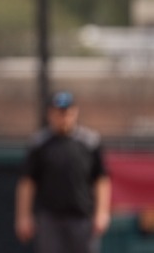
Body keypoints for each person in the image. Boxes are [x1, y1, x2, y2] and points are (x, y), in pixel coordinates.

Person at [15, 91, 112, 253]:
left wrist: (102, 213)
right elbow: (27, 182)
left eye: (67, 112)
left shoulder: (89, 142)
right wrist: (23, 216)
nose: (64, 117)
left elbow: (101, 179)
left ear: (75, 113)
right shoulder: (40, 144)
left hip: (82, 217)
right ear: (50, 114)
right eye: (59, 113)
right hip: (50, 219)